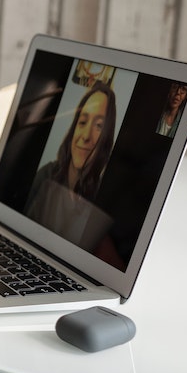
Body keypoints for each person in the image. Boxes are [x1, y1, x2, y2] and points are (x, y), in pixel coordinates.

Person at [25, 81, 116, 251]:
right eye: (82, 122)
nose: (86, 136)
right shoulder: (45, 176)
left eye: (98, 126)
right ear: (74, 127)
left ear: (106, 138)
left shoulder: (102, 200)